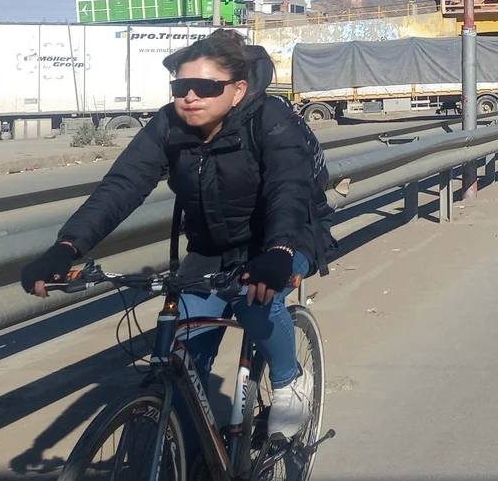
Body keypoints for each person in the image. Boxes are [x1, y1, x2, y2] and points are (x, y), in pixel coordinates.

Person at [19, 30, 325, 441]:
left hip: (282, 239)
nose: (190, 97)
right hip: (211, 249)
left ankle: (289, 380)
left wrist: (280, 249)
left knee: (254, 302)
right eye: (181, 87)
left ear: (237, 90)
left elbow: (288, 186)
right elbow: (122, 186)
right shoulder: (169, 124)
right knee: (184, 357)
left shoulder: (270, 117)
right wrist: (67, 246)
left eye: (206, 87)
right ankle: (188, 459)